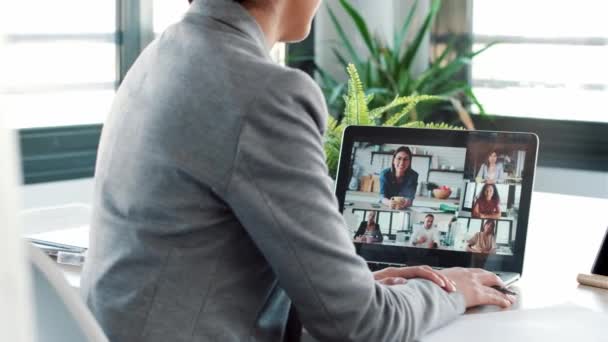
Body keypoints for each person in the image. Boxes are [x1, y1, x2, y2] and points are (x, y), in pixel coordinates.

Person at [81, 0, 514, 341]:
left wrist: (350, 286)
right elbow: (362, 326)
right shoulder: (264, 93)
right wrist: (450, 290)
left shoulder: (157, 59)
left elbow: (210, 255)